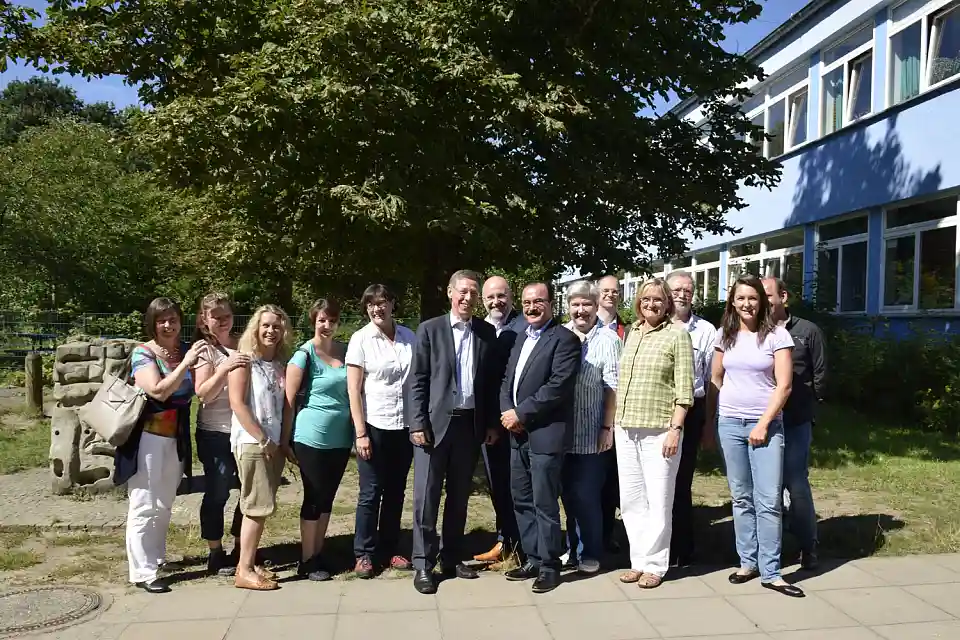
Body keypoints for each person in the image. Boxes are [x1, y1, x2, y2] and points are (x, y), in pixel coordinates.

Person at [707, 275, 802, 598]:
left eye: (753, 298)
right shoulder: (725, 335)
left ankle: (772, 571)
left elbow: (784, 385)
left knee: (768, 499)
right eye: (740, 298)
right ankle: (747, 562)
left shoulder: (777, 335)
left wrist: (763, 422)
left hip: (767, 426)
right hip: (730, 424)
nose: (747, 303)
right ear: (732, 302)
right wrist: (732, 404)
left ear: (762, 301)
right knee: (741, 497)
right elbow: (716, 376)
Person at [409, 270, 501, 593]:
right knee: (427, 495)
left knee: (459, 497)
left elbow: (489, 385)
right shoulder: (430, 330)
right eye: (462, 292)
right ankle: (423, 563)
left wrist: (490, 423)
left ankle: (451, 556)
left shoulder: (486, 333)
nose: (467, 298)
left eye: (473, 293)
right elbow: (417, 380)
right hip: (433, 427)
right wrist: (417, 422)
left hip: (469, 425)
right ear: (450, 293)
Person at [115, 297, 206, 593]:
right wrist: (186, 365)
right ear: (152, 323)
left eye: (173, 319)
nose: (168, 325)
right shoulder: (144, 353)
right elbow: (157, 390)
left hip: (175, 435)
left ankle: (155, 559)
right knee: (144, 501)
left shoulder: (182, 351)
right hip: (147, 437)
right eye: (161, 320)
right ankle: (142, 571)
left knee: (165, 502)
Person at [500, 282, 581, 594]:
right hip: (516, 434)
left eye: (538, 301)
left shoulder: (565, 339)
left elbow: (558, 386)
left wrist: (521, 413)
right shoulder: (521, 338)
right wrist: (508, 411)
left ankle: (550, 565)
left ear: (551, 303)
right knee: (521, 498)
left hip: (545, 435)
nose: (532, 307)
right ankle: (533, 557)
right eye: (527, 302)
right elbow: (508, 379)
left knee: (544, 501)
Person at [614, 278, 694, 589]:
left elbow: (685, 390)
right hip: (626, 428)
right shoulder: (632, 332)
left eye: (658, 300)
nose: (652, 304)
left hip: (660, 430)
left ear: (667, 304)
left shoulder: (677, 335)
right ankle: (638, 560)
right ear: (638, 302)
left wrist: (676, 429)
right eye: (646, 299)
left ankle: (656, 565)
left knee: (659, 500)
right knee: (632, 500)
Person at [346, 284, 416, 578]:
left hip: (404, 426)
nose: (378, 308)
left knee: (396, 490)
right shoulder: (360, 339)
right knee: (371, 492)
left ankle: (391, 548)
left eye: (383, 302)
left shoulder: (409, 337)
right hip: (374, 426)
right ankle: (364, 553)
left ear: (392, 304)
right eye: (372, 304)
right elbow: (354, 389)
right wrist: (360, 433)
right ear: (366, 308)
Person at [283, 298, 353, 582]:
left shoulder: (347, 352)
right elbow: (289, 401)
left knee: (328, 497)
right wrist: (284, 440)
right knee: (313, 496)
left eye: (332, 320)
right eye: (321, 320)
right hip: (310, 437)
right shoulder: (304, 354)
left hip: (341, 438)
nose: (327, 325)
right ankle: (307, 559)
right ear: (313, 321)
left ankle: (319, 551)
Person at [228, 304, 295, 591]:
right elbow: (238, 404)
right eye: (265, 325)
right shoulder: (244, 362)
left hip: (273, 443)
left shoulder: (279, 364)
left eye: (277, 327)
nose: (271, 331)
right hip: (253, 443)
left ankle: (251, 562)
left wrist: (281, 442)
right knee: (256, 506)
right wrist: (263, 439)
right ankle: (243, 570)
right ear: (256, 328)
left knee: (261, 506)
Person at [762, 276, 826, 570]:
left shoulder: (807, 331)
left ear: (783, 297)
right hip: (761, 420)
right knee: (766, 486)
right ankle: (769, 548)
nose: (762, 302)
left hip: (796, 419)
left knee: (796, 482)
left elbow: (821, 375)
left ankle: (808, 545)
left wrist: (809, 404)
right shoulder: (754, 331)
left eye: (767, 295)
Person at [561, 280, 621, 574]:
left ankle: (590, 552)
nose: (581, 310)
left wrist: (606, 427)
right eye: (575, 304)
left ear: (597, 306)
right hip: (561, 432)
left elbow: (612, 388)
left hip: (592, 431)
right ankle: (572, 549)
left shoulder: (608, 340)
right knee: (567, 495)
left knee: (587, 495)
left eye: (587, 304)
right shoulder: (559, 335)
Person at [192, 292, 250, 576]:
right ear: (204, 320)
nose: (223, 321)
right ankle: (215, 551)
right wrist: (225, 367)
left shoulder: (244, 343)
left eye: (226, 315)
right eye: (216, 316)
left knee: (249, 490)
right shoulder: (204, 350)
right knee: (219, 490)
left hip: (244, 430)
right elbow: (203, 394)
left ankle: (243, 546)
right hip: (215, 433)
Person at [666, 271, 718, 567]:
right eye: (677, 289)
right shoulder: (654, 325)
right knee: (658, 480)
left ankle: (682, 548)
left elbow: (713, 379)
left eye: (689, 289)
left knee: (681, 480)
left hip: (693, 409)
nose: (683, 294)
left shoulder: (706, 331)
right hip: (660, 409)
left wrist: (709, 423)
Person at [474, 275, 524, 564]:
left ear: (511, 297)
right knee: (497, 484)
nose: (496, 302)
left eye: (501, 296)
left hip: (516, 421)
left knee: (516, 486)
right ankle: (505, 540)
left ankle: (519, 545)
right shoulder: (479, 329)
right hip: (488, 424)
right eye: (491, 297)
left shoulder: (522, 327)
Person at [596, 274, 626, 553]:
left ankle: (615, 534)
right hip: (593, 418)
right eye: (605, 291)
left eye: (615, 291)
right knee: (595, 482)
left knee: (620, 482)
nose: (610, 295)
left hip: (625, 418)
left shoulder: (628, 331)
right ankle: (597, 537)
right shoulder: (580, 330)